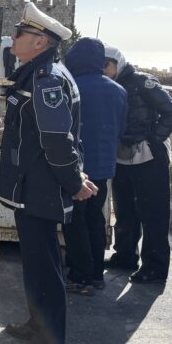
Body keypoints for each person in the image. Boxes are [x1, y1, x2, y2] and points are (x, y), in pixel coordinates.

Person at [0, 2, 97, 344]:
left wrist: (74, 182)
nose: (13, 37)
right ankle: (37, 325)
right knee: (37, 265)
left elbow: (57, 140)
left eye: (19, 33)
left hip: (39, 189)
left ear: (39, 41)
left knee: (45, 272)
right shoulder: (40, 73)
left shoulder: (47, 80)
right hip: (31, 187)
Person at [103, 45, 172, 283]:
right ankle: (125, 256)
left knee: (153, 213)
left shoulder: (143, 82)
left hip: (149, 156)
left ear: (118, 63)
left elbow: (170, 111)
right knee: (125, 210)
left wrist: (154, 138)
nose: (103, 70)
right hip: (122, 156)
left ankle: (155, 267)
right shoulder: (108, 86)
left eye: (107, 64)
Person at [63, 38, 127, 295]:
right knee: (94, 218)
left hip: (76, 168)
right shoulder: (118, 90)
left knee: (74, 220)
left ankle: (80, 276)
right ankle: (97, 275)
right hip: (103, 167)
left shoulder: (71, 86)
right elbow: (121, 129)